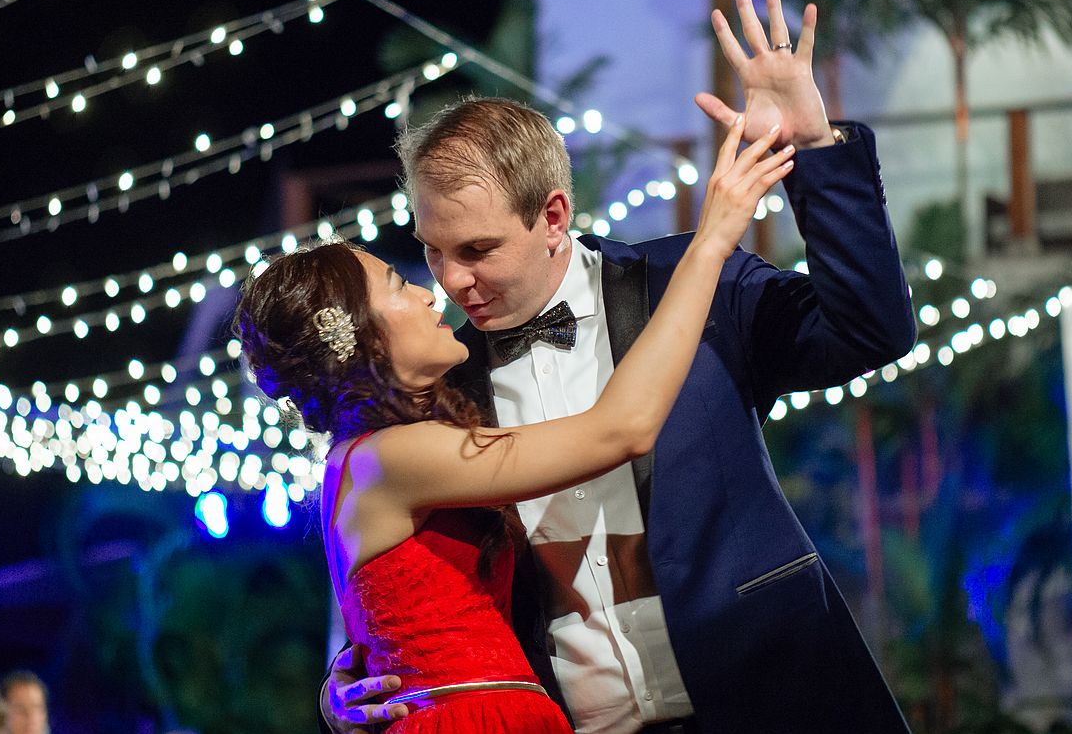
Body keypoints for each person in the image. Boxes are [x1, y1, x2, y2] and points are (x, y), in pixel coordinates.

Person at [320, 0, 916, 734]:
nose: (452, 280)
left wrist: (817, 149)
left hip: (772, 695)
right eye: (433, 252)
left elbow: (872, 330)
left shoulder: (692, 283)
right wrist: (347, 689)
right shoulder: (440, 390)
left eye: (477, 249)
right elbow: (404, 581)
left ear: (552, 216)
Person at [237, 112, 794, 732]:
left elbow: (400, 610)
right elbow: (621, 428)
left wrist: (351, 685)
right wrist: (710, 243)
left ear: (552, 218)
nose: (434, 289)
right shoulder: (389, 456)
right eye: (401, 282)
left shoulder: (395, 447)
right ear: (364, 338)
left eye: (473, 250)